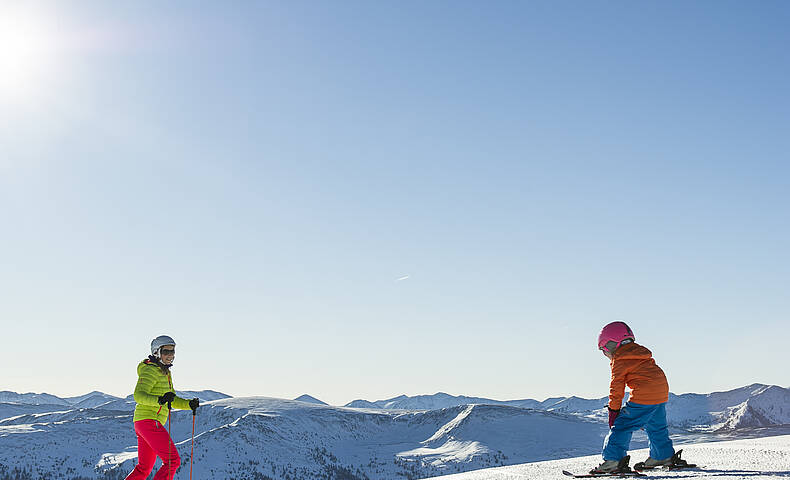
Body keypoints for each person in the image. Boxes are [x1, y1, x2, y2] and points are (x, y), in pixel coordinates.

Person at [591, 321, 680, 474]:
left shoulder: (620, 358)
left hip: (644, 394)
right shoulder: (640, 353)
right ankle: (662, 456)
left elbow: (616, 388)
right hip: (660, 391)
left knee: (622, 426)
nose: (605, 354)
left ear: (613, 344)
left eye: (604, 350)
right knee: (656, 426)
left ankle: (613, 460)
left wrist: (614, 410)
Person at [125, 335, 199, 480]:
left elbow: (171, 400)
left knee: (144, 468)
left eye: (172, 352)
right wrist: (159, 400)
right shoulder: (150, 370)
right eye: (166, 352)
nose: (170, 356)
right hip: (148, 421)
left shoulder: (165, 372)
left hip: (144, 422)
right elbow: (138, 395)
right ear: (156, 352)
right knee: (173, 461)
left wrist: (188, 404)